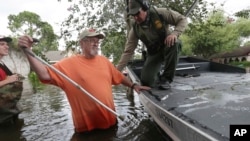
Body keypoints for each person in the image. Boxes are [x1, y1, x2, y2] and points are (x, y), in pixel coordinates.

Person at [17, 28, 151, 133]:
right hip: (85, 130)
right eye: (91, 39)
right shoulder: (68, 64)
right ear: (82, 43)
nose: (96, 42)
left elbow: (119, 76)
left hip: (110, 123)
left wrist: (133, 85)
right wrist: (28, 51)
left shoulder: (104, 61)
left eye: (97, 40)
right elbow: (44, 75)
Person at [117, 0, 188, 90]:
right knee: (146, 81)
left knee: (175, 43)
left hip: (168, 46)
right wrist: (116, 71)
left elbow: (182, 19)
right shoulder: (135, 29)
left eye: (137, 13)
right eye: (133, 15)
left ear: (145, 8)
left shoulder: (160, 13)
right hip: (154, 53)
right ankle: (156, 74)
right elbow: (128, 51)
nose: (136, 17)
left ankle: (166, 78)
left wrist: (174, 33)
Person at [0, 35, 23, 122]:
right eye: (2, 44)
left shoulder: (2, 64)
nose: (7, 46)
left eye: (7, 44)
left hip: (8, 110)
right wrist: (8, 80)